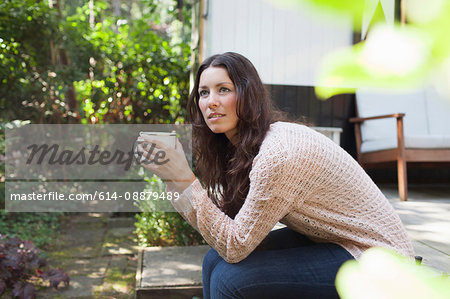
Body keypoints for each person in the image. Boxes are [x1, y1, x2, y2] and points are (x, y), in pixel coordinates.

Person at [137, 52, 415, 299]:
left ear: (247, 95)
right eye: (204, 93)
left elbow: (236, 245)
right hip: (335, 240)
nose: (211, 102)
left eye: (223, 89)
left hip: (379, 259)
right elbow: (230, 231)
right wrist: (172, 177)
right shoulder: (242, 146)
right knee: (213, 261)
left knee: (229, 280)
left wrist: (183, 178)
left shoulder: (277, 154)